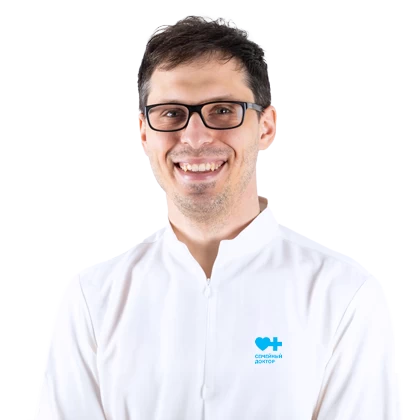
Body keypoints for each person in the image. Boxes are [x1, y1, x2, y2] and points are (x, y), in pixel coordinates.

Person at [35, 14, 401, 419]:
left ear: (266, 127)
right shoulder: (92, 299)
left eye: (223, 110)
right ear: (143, 132)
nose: (195, 137)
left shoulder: (344, 294)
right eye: (171, 113)